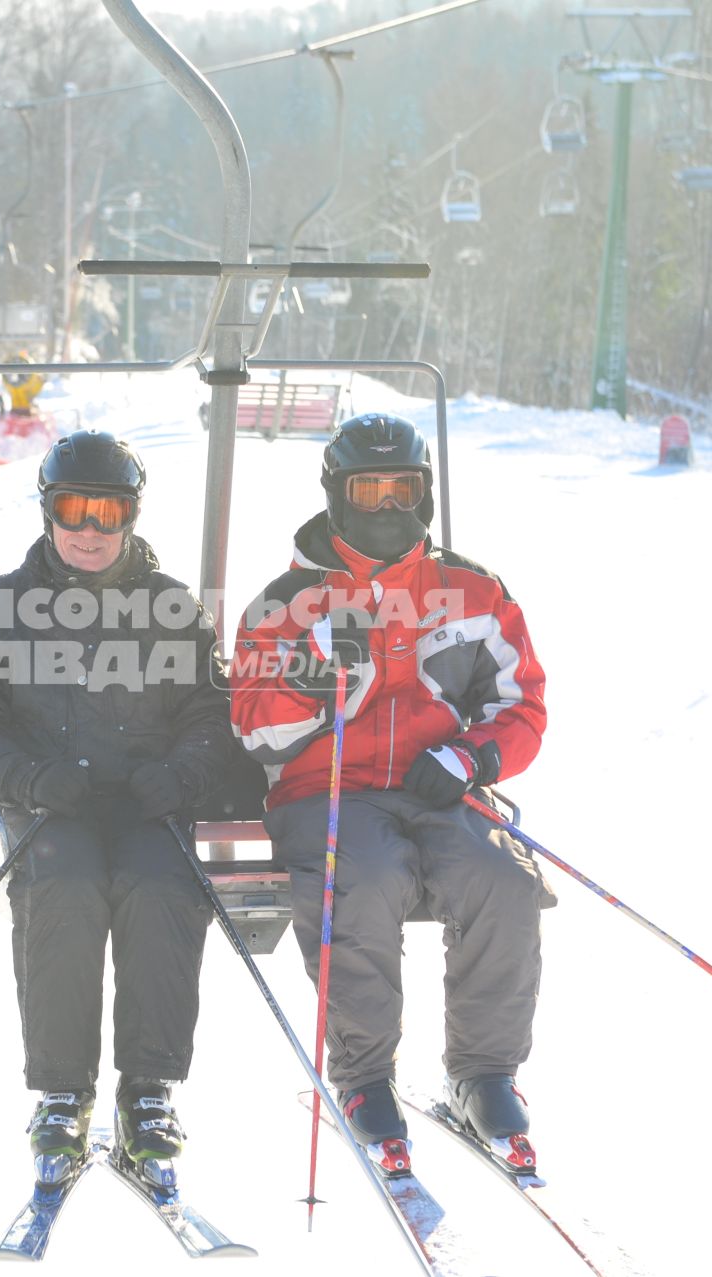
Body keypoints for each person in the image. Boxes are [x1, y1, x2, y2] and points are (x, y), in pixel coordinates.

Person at [229, 413, 552, 1176]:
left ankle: (484, 1072)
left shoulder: (471, 589)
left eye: (400, 488)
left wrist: (470, 757)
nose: (384, 505)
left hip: (437, 785)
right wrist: (313, 692)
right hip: (328, 790)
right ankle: (366, 1076)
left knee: (504, 879)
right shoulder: (287, 601)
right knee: (365, 878)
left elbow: (523, 705)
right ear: (337, 496)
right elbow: (252, 727)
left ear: (426, 493)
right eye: (366, 489)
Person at [0, 430, 232, 1192]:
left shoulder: (171, 608)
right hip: (52, 804)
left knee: (163, 886)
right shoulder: (2, 606)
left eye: (109, 511)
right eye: (74, 509)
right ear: (48, 511)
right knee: (62, 888)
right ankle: (64, 1089)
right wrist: (29, 777)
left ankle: (147, 1089)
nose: (91, 530)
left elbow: (211, 709)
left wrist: (181, 773)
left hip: (144, 803)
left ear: (132, 515)